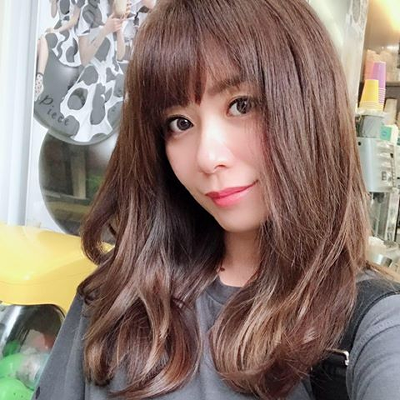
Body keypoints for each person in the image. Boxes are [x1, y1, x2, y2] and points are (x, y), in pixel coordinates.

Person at [34, 0, 400, 399]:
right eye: (180, 123)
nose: (207, 158)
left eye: (242, 105)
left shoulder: (373, 326)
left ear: (310, 103)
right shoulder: (120, 292)